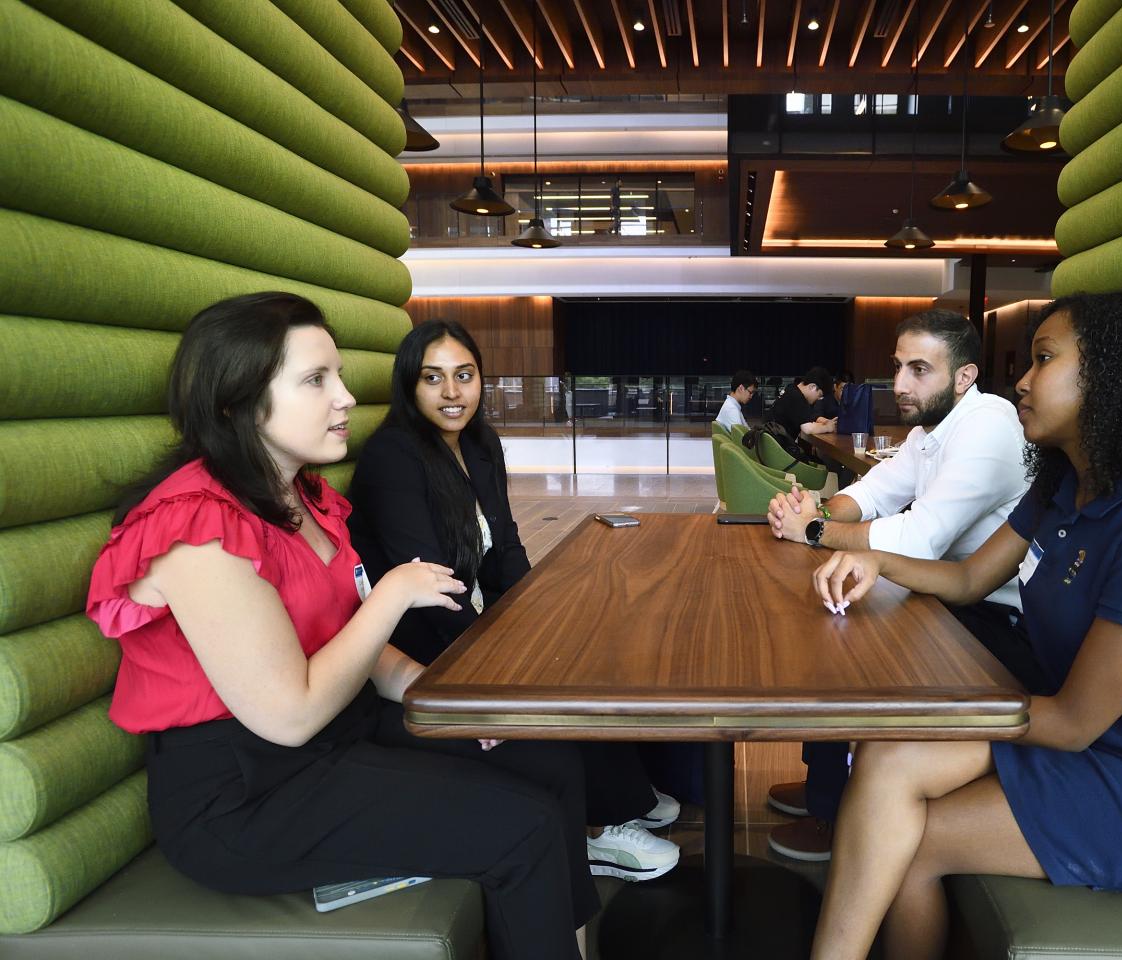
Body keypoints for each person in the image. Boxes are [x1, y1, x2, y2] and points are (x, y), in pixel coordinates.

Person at [86, 293, 597, 960]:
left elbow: (356, 648)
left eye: (340, 376)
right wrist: (391, 595)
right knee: (522, 827)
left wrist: (445, 704)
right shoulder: (195, 529)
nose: (347, 398)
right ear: (237, 403)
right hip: (246, 794)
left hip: (340, 736)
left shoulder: (302, 500)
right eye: (315, 380)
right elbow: (289, 713)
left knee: (550, 761)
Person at [807, 292, 1122, 960]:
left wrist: (937, 711)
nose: (1021, 380)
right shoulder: (1065, 485)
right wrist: (872, 560)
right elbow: (968, 580)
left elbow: (1076, 722)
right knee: (886, 755)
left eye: (1044, 360)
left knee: (908, 841)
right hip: (1086, 744)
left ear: (1115, 378)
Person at [346, 319, 680, 882]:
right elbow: (431, 590)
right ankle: (598, 829)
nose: (452, 393)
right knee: (549, 674)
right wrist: (489, 665)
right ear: (409, 386)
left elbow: (506, 546)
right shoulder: (393, 459)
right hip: (425, 640)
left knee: (583, 641)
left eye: (464, 376)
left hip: (476, 617)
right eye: (433, 379)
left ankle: (622, 796)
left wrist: (537, 613)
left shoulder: (480, 443)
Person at [763, 310, 1031, 861]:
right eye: (897, 367)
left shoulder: (990, 426)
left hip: (1001, 625)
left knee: (846, 631)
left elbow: (916, 539)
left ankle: (838, 815)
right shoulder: (928, 431)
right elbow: (873, 493)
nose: (900, 384)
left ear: (964, 376)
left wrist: (813, 530)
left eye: (919, 370)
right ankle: (826, 789)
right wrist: (813, 505)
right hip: (947, 596)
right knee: (832, 616)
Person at [767, 366, 837, 441]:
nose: (818, 399)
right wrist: (827, 428)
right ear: (812, 387)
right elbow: (807, 428)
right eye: (819, 395)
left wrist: (825, 423)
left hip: (769, 445)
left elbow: (807, 420)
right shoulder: (798, 397)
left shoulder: (791, 389)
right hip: (778, 448)